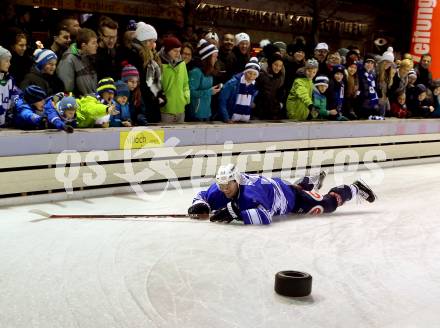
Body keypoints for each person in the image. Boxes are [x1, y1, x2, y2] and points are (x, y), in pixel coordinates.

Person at [188, 164, 376, 224]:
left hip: (291, 199)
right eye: (220, 185)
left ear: (236, 181)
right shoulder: (220, 188)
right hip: (275, 186)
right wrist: (201, 204)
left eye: (227, 185)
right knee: (294, 186)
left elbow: (265, 215)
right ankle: (311, 181)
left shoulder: (250, 194)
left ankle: (354, 188)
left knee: (326, 204)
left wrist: (235, 211)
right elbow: (203, 196)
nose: (224, 189)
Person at [56, 28, 98, 97]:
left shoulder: (88, 57)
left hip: (91, 102)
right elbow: (66, 90)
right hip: (79, 105)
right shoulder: (68, 60)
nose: (97, 45)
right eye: (93, 43)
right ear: (83, 46)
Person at [218, 57, 260, 123]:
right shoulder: (232, 83)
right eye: (249, 73)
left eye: (254, 74)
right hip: (230, 120)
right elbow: (222, 100)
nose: (251, 77)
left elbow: (251, 101)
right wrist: (226, 118)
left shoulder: (254, 86)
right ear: (245, 72)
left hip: (245, 120)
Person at [0, 45, 21, 128]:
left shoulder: (9, 80)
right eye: (6, 61)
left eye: (9, 61)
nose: (9, 64)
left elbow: (15, 96)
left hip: (4, 126)